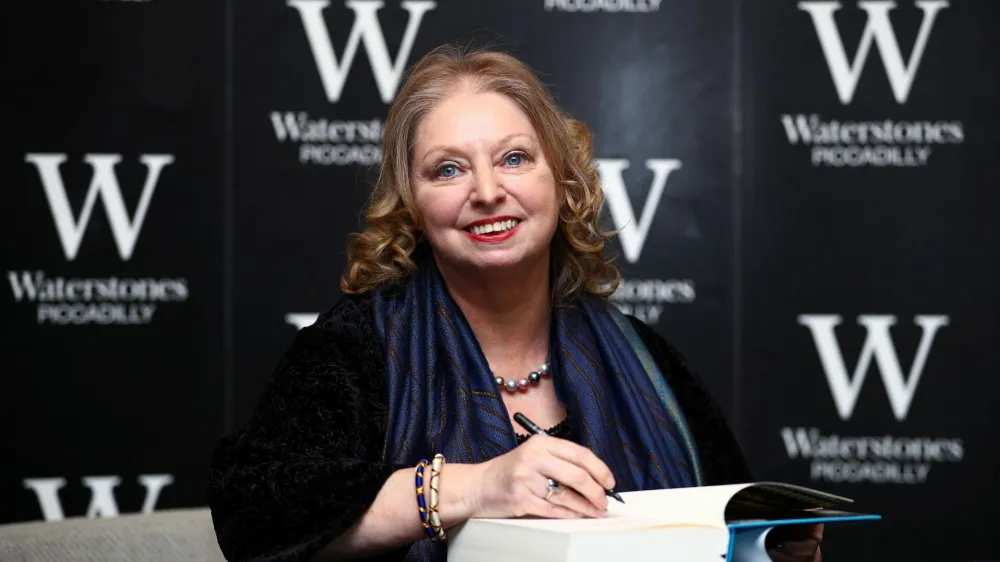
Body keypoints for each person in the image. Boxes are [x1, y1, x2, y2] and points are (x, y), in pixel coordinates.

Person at [205, 44, 822, 562]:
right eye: (448, 170)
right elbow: (253, 518)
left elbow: (726, 519)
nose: (487, 191)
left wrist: (770, 549)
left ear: (562, 179)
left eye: (514, 158)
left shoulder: (645, 358)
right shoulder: (354, 349)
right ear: (412, 204)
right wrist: (473, 487)